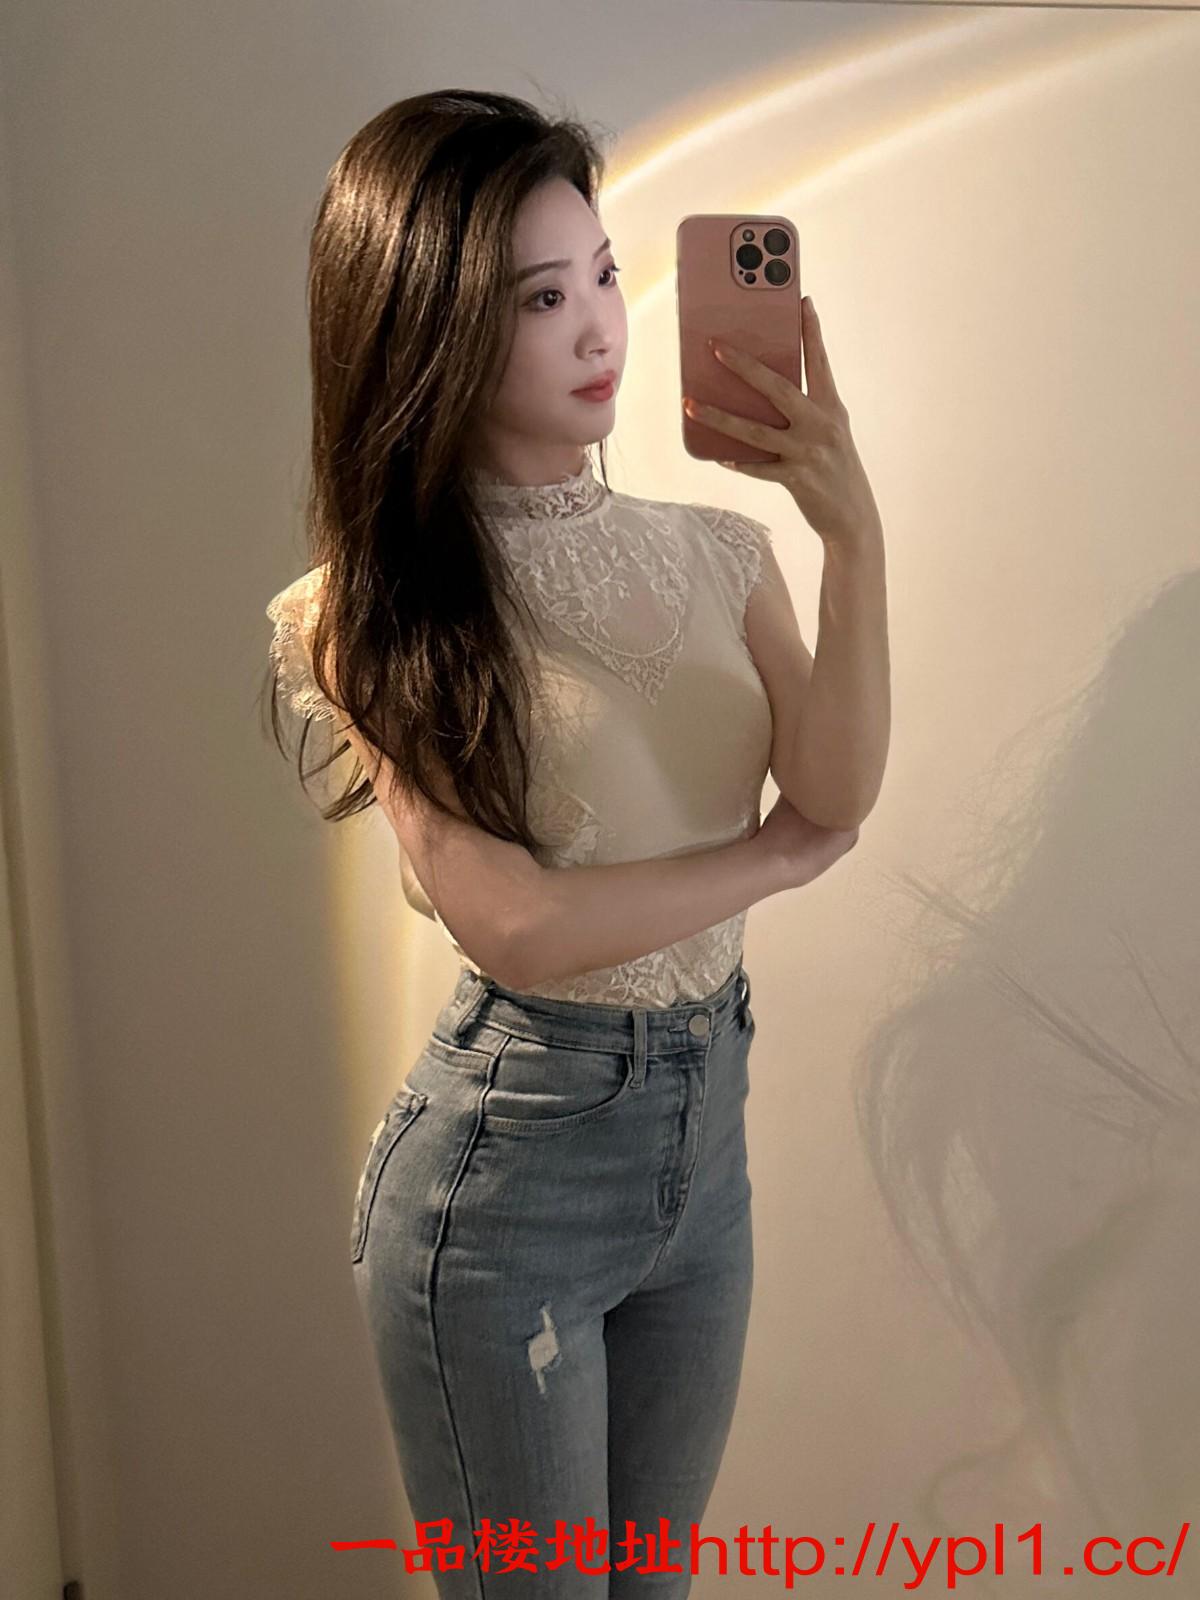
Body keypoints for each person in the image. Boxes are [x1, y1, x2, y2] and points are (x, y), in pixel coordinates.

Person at [264, 89, 874, 1598]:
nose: (602, 325)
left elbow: (839, 787)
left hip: (702, 1158)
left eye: (603, 274)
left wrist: (851, 535)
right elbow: (518, 927)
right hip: (508, 1184)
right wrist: (770, 860)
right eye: (543, 298)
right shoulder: (365, 613)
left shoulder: (721, 553)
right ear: (431, 329)